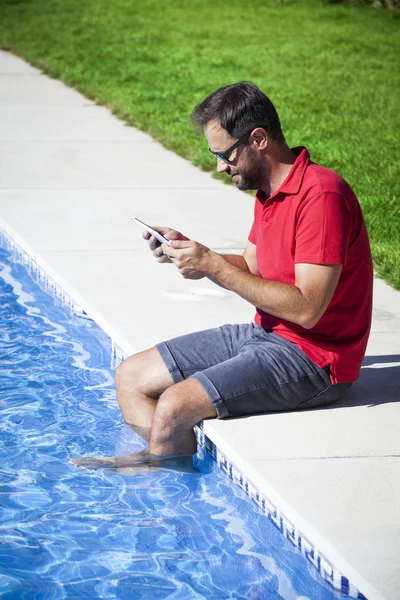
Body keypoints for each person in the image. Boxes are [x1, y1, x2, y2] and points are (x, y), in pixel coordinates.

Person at [70, 82, 373, 472]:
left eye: (225, 154)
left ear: (258, 139)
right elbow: (252, 267)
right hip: (267, 334)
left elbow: (308, 309)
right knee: (131, 376)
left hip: (315, 360)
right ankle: (163, 458)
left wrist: (211, 266)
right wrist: (196, 253)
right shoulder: (270, 190)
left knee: (175, 405)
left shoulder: (321, 197)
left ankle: (160, 481)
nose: (219, 166)